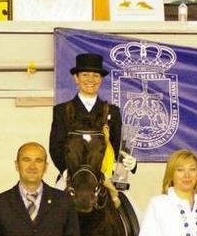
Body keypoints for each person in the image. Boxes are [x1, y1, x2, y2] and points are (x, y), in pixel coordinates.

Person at [49, 53, 136, 188]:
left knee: (128, 206)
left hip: (105, 176)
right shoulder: (62, 110)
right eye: (85, 75)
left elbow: (118, 145)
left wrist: (130, 162)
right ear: (76, 78)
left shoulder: (112, 111)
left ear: (101, 79)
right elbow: (56, 146)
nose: (91, 79)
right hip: (72, 175)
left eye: (96, 75)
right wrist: (68, 172)